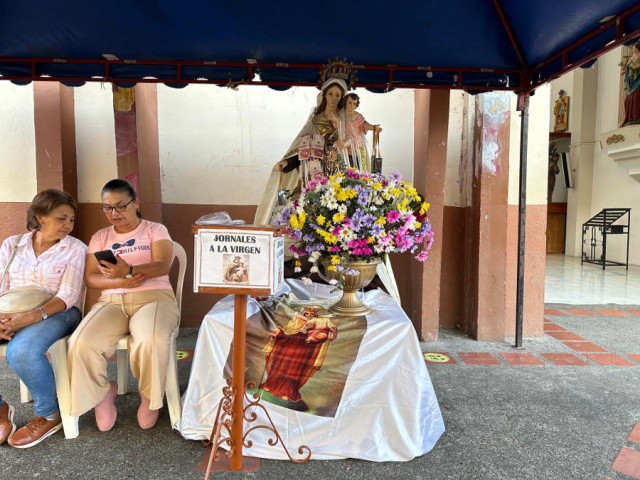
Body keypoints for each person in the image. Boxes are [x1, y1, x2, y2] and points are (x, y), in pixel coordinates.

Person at [67, 179, 180, 431]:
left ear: (136, 203)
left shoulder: (154, 229)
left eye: (120, 206)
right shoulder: (100, 237)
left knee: (151, 339)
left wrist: (128, 270)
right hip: (112, 300)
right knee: (80, 343)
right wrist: (121, 280)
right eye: (107, 208)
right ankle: (102, 395)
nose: (114, 213)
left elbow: (162, 265)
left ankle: (150, 397)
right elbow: (91, 278)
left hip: (154, 297)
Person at [0, 189, 86, 448]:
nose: (68, 225)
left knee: (22, 351)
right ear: (40, 217)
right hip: (10, 311)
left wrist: (30, 318)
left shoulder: (76, 249)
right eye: (61, 218)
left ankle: (49, 414)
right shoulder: (12, 245)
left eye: (71, 220)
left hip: (59, 312)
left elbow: (68, 295)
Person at [254, 77, 348, 225]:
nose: (334, 98)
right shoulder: (314, 121)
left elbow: (353, 148)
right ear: (324, 95)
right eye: (330, 93)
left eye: (338, 95)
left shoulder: (345, 121)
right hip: (311, 174)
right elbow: (301, 149)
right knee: (308, 213)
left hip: (336, 174)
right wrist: (287, 162)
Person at [335, 92, 382, 172]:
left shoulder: (358, 116)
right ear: (345, 102)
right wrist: (333, 119)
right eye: (349, 103)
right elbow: (336, 124)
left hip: (357, 146)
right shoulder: (341, 115)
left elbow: (365, 125)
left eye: (354, 103)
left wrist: (373, 127)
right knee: (345, 169)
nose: (352, 106)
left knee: (359, 169)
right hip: (344, 148)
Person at [622, 41, 640, 126]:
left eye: (634, 47)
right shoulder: (632, 58)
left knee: (636, 98)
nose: (632, 48)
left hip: (637, 82)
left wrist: (633, 67)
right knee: (627, 100)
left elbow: (637, 68)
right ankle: (630, 117)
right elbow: (628, 69)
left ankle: (636, 117)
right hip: (631, 82)